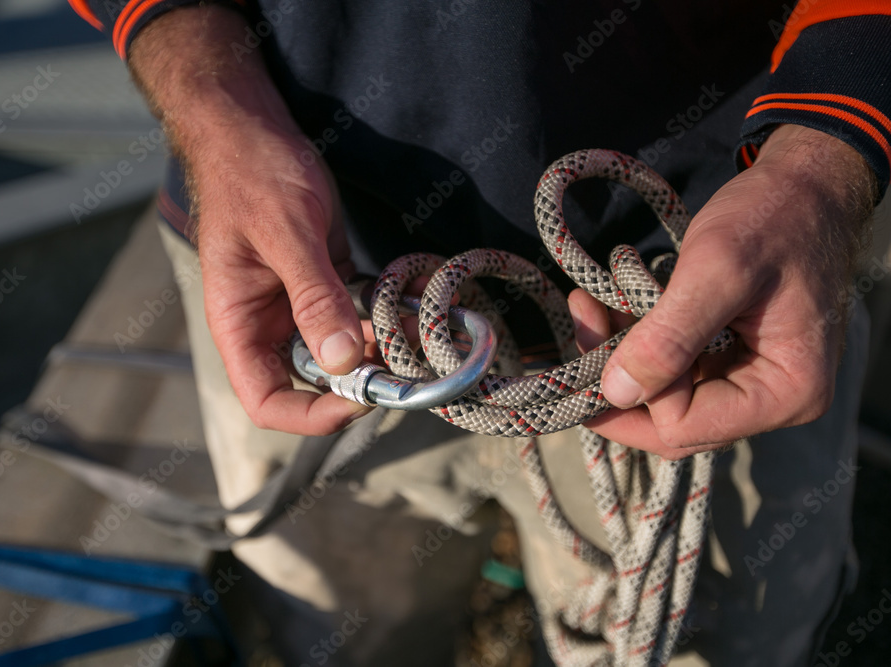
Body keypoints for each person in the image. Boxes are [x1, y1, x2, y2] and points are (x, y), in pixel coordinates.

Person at [71, 1, 889, 664]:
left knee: (709, 644)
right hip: (300, 274)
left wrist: (827, 151)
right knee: (336, 623)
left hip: (709, 288)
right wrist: (210, 98)